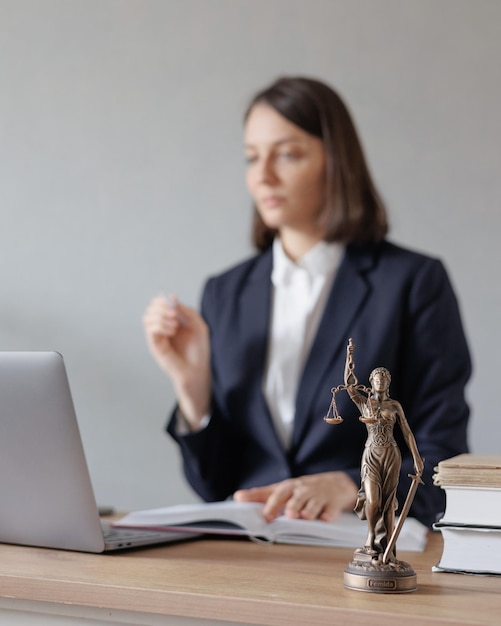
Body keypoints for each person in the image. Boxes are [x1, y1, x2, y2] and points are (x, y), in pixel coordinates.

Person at [142, 76, 471, 528]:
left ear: (336, 162)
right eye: (252, 157)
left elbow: (442, 461)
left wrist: (351, 484)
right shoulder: (225, 291)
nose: (263, 175)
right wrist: (193, 387)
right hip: (248, 555)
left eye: (288, 154)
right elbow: (212, 485)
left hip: (364, 551)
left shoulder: (413, 282)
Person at [341, 339, 424, 560]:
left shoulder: (394, 406)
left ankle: (388, 546)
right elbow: (349, 386)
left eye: (384, 379)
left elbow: (406, 431)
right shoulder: (364, 402)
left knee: (389, 503)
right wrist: (350, 358)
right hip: (371, 454)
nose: (380, 382)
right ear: (371, 381)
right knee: (373, 500)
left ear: (388, 382)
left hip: (391, 453)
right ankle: (370, 538)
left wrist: (417, 458)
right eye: (377, 378)